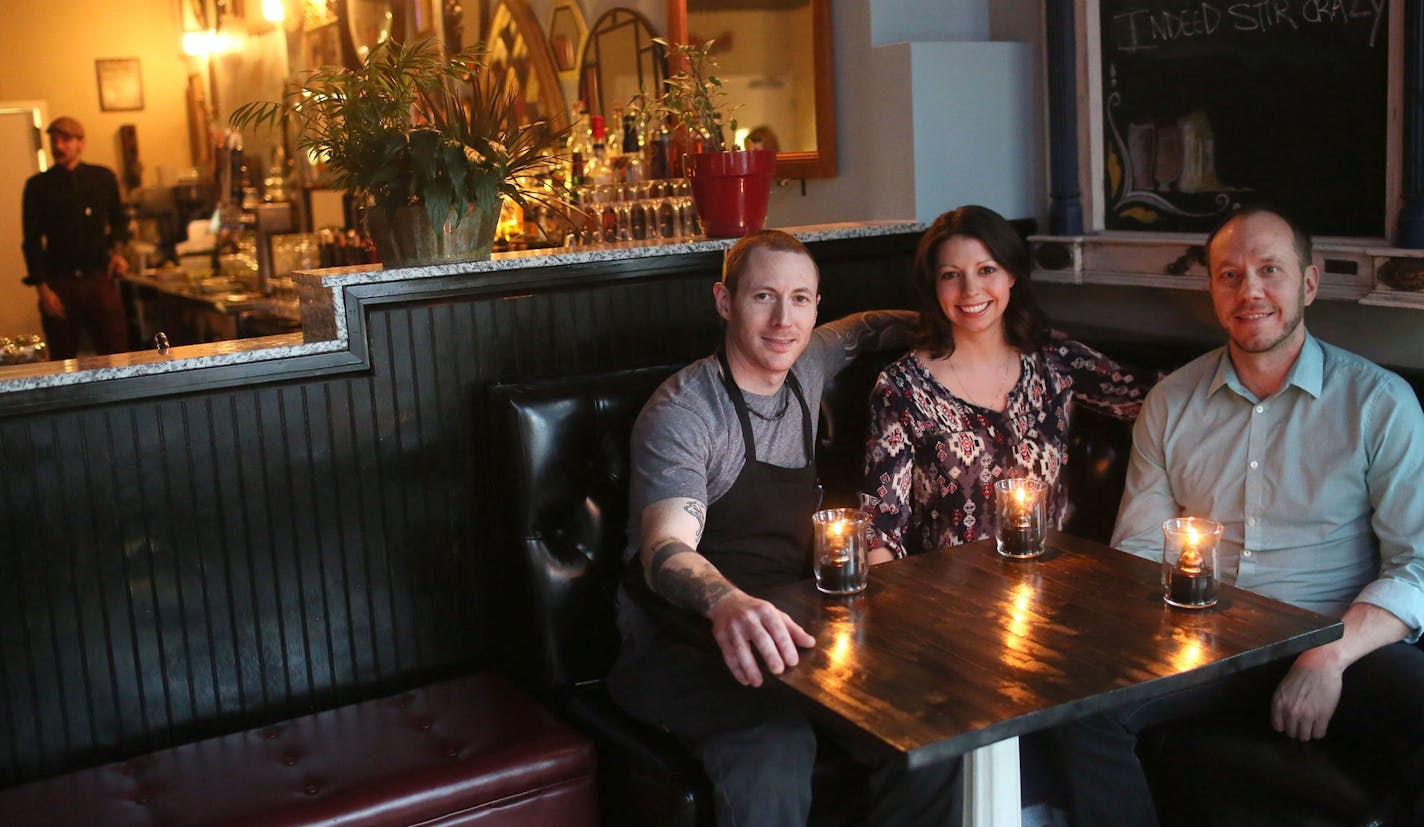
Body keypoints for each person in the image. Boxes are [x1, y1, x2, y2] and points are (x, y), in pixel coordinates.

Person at [1054, 206, 1424, 826]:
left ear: (1308, 285)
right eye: (1229, 275)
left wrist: (1326, 658)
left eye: (1270, 270)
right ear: (1212, 290)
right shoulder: (1172, 403)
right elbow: (1140, 548)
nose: (1249, 290)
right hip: (1205, 640)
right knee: (1077, 713)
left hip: (1335, 634)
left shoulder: (1379, 403)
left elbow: (1417, 562)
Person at [605, 229, 962, 827]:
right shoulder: (685, 412)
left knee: (931, 726)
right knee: (774, 742)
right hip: (678, 639)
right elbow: (664, 548)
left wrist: (962, 321)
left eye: (801, 298)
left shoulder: (810, 363)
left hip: (794, 622)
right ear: (724, 301)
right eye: (763, 297)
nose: (782, 320)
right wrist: (727, 603)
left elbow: (870, 325)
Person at [861, 205, 1156, 557]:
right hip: (950, 598)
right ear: (934, 286)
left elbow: (1165, 400)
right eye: (951, 275)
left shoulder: (1054, 363)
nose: (971, 289)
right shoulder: (902, 388)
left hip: (1051, 587)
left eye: (987, 270)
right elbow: (880, 528)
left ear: (1012, 275)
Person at [21, 116, 131, 359]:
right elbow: (31, 241)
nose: (59, 146)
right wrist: (42, 289)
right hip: (60, 283)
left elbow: (119, 221)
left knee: (116, 352)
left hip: (99, 277)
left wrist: (118, 254)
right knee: (63, 358)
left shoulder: (102, 177)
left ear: (81, 143)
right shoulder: (38, 186)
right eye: (55, 140)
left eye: (66, 140)